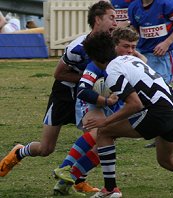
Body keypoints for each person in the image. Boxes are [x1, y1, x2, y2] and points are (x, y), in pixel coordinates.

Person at [68, 31, 173, 198]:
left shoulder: (112, 71)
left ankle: (110, 189)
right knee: (166, 161)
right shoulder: (132, 59)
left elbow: (134, 104)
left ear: (93, 57)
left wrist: (105, 121)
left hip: (158, 114)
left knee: (104, 132)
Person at [0, 1, 117, 195]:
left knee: (100, 137)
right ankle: (19, 152)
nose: (116, 21)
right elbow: (59, 74)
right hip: (64, 95)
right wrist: (89, 79)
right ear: (98, 19)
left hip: (87, 97)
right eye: (111, 17)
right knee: (46, 148)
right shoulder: (77, 48)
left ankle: (77, 179)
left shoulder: (113, 44)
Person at [52, 27, 146, 196]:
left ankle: (65, 181)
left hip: (111, 105)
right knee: (99, 133)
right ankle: (64, 167)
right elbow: (82, 90)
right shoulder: (97, 63)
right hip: (92, 103)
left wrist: (139, 57)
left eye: (134, 47)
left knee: (102, 147)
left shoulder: (126, 62)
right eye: (126, 46)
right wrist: (105, 100)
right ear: (114, 46)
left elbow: (143, 67)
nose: (131, 51)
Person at [128, 0, 173, 148]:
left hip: (163, 54)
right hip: (143, 53)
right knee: (146, 91)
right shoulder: (134, 7)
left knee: (160, 92)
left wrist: (167, 42)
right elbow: (135, 30)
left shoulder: (166, 3)